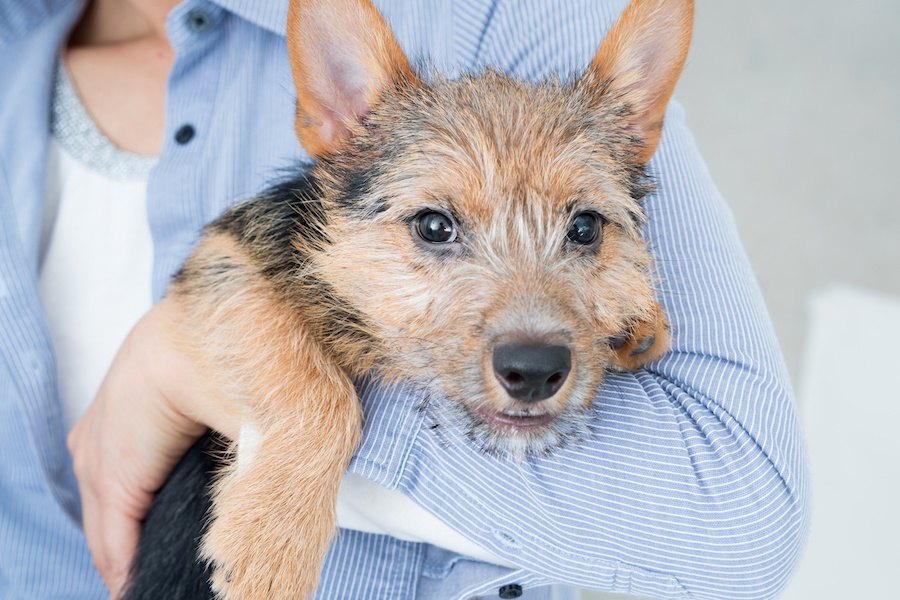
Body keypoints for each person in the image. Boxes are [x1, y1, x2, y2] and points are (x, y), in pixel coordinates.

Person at [0, 0, 808, 598]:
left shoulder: (500, 15)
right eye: (434, 226)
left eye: (584, 229)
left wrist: (205, 376)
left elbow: (741, 523)